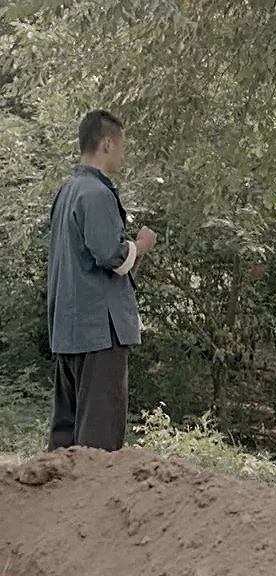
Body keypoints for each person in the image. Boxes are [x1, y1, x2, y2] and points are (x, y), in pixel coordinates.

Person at [46, 109, 159, 452]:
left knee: (66, 438)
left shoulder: (66, 192)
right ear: (108, 143)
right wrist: (142, 245)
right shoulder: (96, 193)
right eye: (121, 146)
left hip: (68, 329)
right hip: (100, 330)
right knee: (98, 441)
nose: (121, 154)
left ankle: (57, 489)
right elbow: (111, 256)